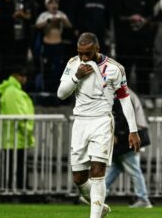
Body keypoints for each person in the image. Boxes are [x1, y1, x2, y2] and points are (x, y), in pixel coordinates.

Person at [56, 33, 141, 218]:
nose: (84, 58)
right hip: (80, 122)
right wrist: (76, 77)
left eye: (87, 53)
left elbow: (125, 100)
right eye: (80, 53)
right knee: (79, 178)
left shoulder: (115, 68)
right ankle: (100, 208)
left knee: (98, 170)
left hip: (102, 121)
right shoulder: (73, 63)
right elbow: (61, 94)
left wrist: (133, 130)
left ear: (97, 48)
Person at [105, 90, 152, 208]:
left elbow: (124, 118)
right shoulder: (126, 92)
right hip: (131, 133)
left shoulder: (123, 95)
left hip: (130, 135)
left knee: (133, 169)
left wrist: (115, 133)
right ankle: (97, 195)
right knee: (116, 167)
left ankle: (143, 199)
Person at [0, 66, 34, 190]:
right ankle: (16, 191)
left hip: (14, 137)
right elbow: (18, 116)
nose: (25, 79)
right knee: (15, 167)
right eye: (23, 75)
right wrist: (28, 131)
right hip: (15, 137)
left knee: (14, 167)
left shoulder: (12, 90)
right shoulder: (12, 92)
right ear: (15, 75)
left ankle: (14, 190)